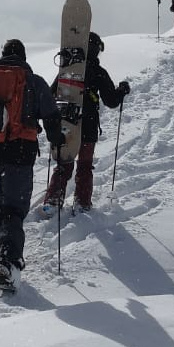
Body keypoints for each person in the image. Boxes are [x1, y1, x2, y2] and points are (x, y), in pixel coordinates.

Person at [0, 38, 63, 291]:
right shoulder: (33, 82)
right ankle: (7, 262)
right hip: (20, 153)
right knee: (15, 209)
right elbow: (51, 116)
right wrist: (57, 141)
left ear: (3, 55)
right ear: (23, 57)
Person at [43, 32, 130, 213]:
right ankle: (82, 202)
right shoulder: (98, 72)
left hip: (67, 123)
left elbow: (51, 94)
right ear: (96, 49)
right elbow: (111, 101)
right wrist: (122, 90)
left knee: (64, 164)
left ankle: (53, 199)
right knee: (84, 165)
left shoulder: (67, 69)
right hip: (88, 124)